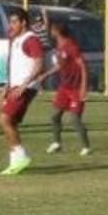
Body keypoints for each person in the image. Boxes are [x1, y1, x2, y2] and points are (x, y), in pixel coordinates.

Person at [0, 7, 47, 175]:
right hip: (15, 86)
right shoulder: (16, 39)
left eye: (14, 22)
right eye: (10, 22)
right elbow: (14, 66)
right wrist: (7, 86)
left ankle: (21, 155)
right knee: (10, 123)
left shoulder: (31, 39)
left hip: (24, 88)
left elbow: (39, 63)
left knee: (4, 119)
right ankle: (15, 162)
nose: (11, 25)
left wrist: (24, 85)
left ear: (23, 22)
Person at [38, 19, 92, 155]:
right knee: (55, 116)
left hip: (75, 88)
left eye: (51, 30)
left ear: (57, 31)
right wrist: (45, 74)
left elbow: (83, 66)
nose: (50, 32)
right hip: (64, 87)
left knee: (75, 118)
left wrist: (83, 87)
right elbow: (61, 65)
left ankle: (86, 147)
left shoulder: (71, 46)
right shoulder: (59, 46)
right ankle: (57, 143)